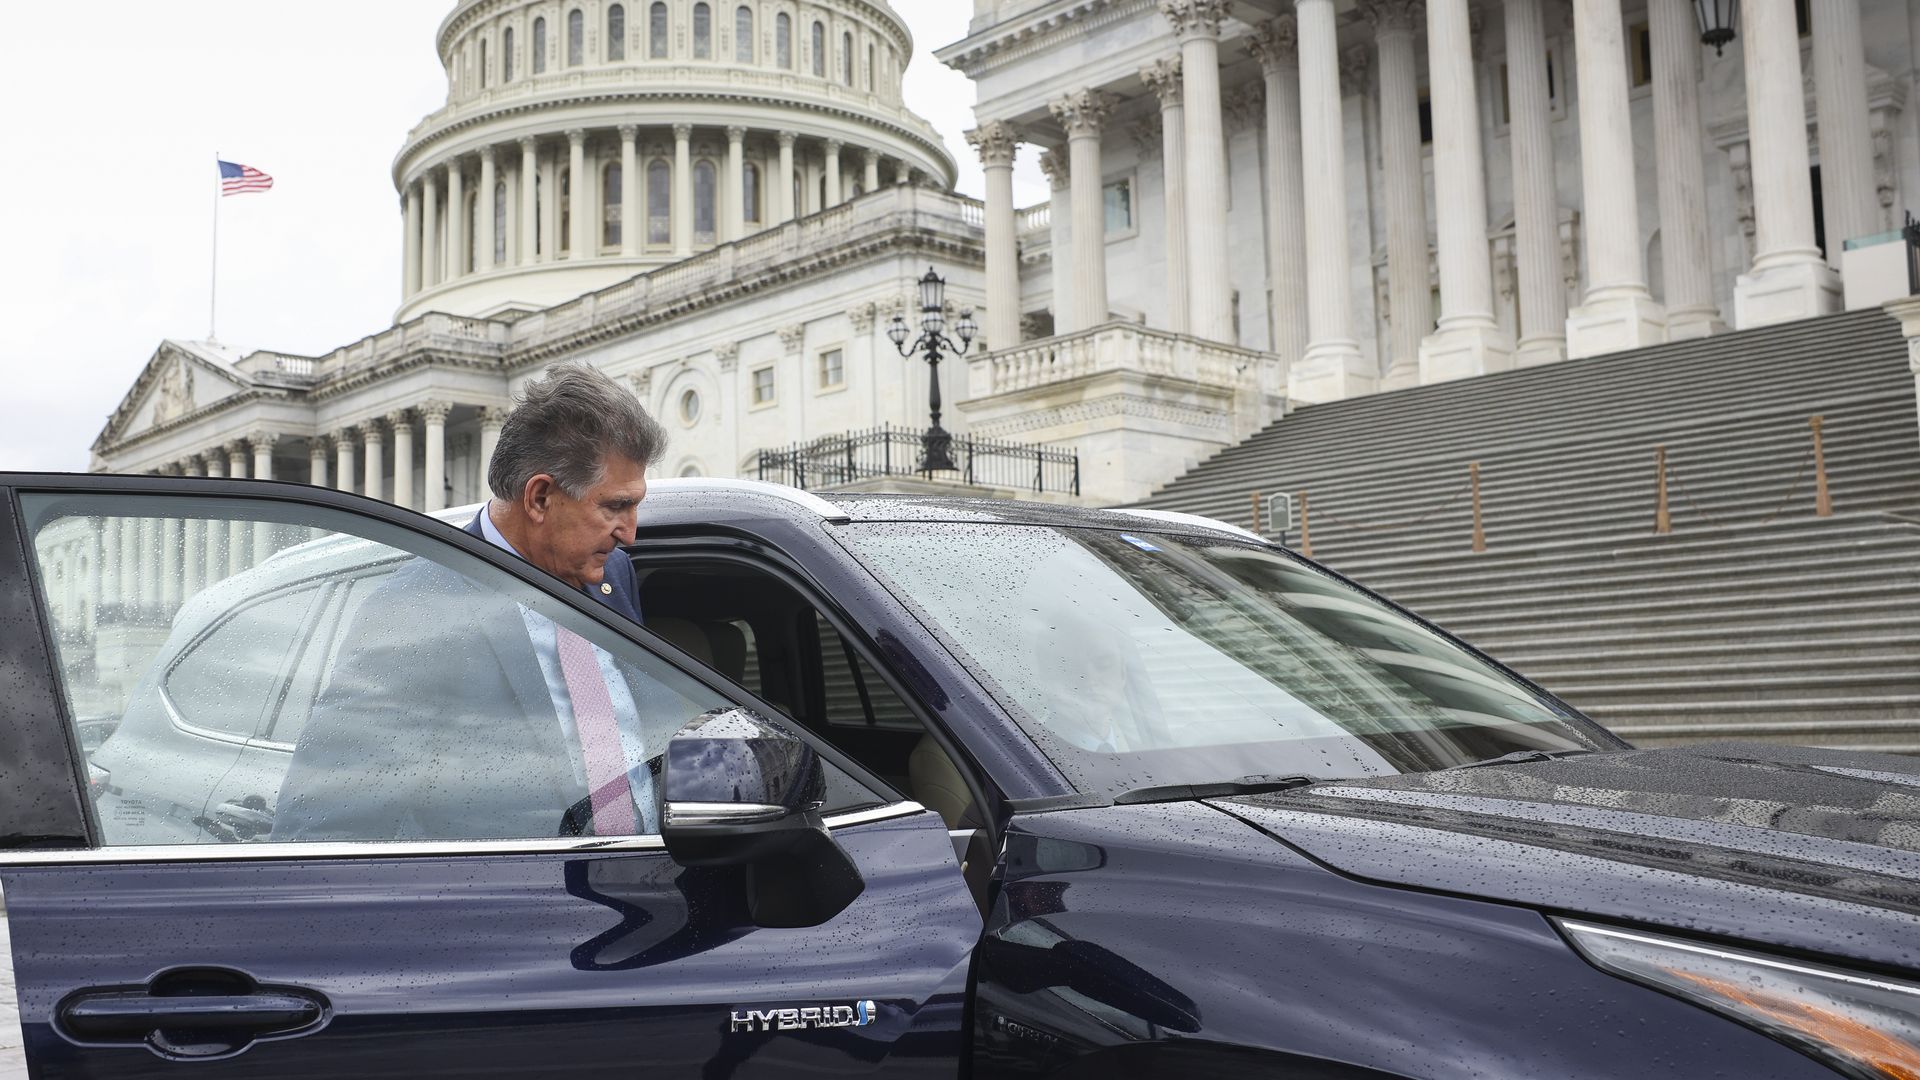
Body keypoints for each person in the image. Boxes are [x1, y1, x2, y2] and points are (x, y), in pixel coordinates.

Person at [273, 364, 683, 842]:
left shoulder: (613, 574)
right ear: (540, 497)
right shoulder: (418, 610)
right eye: (614, 507)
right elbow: (324, 827)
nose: (630, 534)